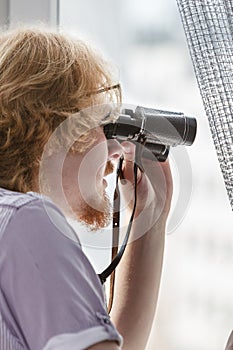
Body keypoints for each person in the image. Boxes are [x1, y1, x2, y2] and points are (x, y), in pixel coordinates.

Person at [0, 27, 173, 350]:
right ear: (51, 130)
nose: (115, 150)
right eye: (102, 125)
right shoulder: (28, 222)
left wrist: (150, 217)